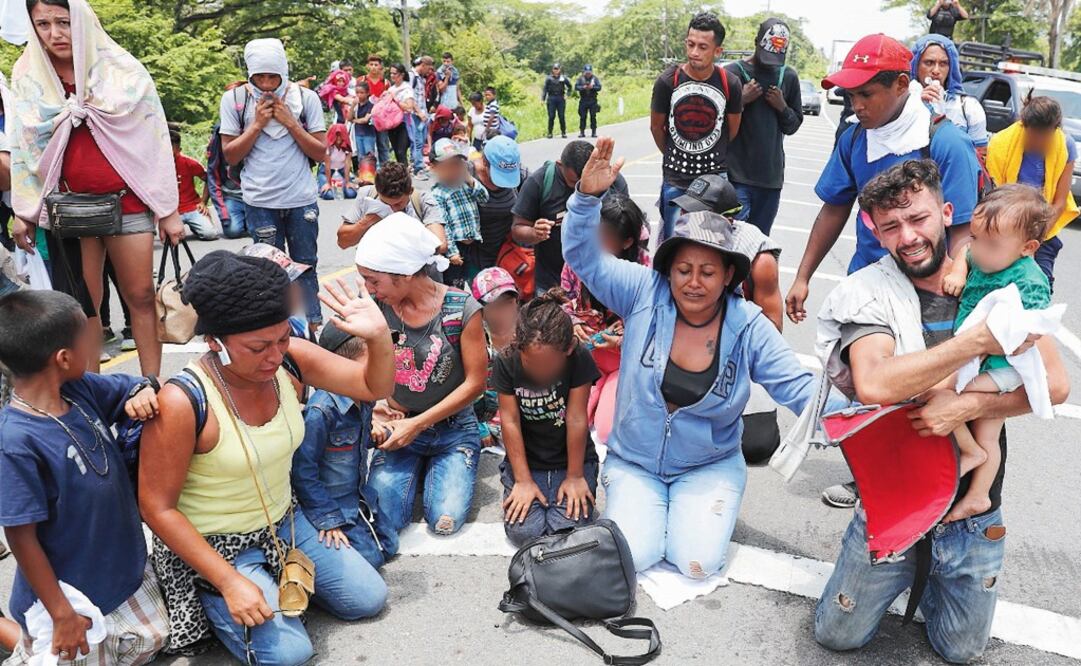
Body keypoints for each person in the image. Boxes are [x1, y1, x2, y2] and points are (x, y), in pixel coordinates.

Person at [812, 159, 1068, 664]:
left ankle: (933, 581)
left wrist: (963, 406)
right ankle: (901, 569)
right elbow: (876, 382)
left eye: (919, 219)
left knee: (961, 649)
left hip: (972, 517)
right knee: (836, 636)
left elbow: (1055, 385)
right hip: (897, 501)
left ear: (946, 212)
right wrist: (972, 341)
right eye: (891, 226)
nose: (908, 236)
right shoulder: (871, 292)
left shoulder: (1004, 273)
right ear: (876, 232)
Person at [563, 138, 844, 578]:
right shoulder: (641, 292)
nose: (693, 282)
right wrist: (585, 199)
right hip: (635, 460)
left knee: (696, 562)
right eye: (683, 269)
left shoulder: (748, 324)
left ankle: (701, 506)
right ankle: (642, 504)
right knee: (632, 559)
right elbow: (583, 256)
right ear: (667, 269)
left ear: (729, 274)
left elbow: (800, 388)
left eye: (708, 271)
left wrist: (870, 419)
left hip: (707, 465)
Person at [140, 251, 395, 663]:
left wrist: (379, 338)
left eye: (281, 338)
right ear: (215, 343)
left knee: (368, 598)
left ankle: (270, 588)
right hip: (219, 545)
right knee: (292, 653)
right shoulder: (184, 400)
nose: (275, 356)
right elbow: (156, 507)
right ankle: (217, 593)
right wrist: (228, 581)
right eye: (258, 347)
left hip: (285, 524)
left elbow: (371, 385)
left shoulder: (290, 359)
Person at [788, 35, 982, 510]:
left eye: (865, 94)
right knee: (871, 390)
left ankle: (940, 482)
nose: (855, 105)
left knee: (930, 394)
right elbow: (835, 207)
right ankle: (873, 480)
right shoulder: (855, 136)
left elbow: (962, 228)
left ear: (901, 84)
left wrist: (958, 277)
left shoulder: (944, 140)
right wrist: (803, 275)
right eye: (850, 96)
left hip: (933, 287)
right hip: (872, 284)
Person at [9, 0, 185, 377]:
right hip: (70, 207)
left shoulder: (121, 68)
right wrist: (24, 212)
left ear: (83, 21)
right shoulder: (28, 74)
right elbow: (24, 148)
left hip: (130, 202)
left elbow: (154, 143)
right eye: (42, 24)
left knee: (139, 296)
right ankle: (92, 390)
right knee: (82, 306)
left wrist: (168, 209)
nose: (54, 34)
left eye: (63, 22)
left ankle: (151, 383)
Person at [0, 290, 169, 665]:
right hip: (67, 598)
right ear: (63, 358)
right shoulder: (15, 441)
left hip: (122, 573)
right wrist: (61, 613)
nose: (96, 343)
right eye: (88, 338)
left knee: (146, 644)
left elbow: (137, 386)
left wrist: (143, 391)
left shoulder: (79, 390)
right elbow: (20, 536)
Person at [357, 215, 488, 537]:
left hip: (452, 428)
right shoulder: (374, 306)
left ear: (403, 275)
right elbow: (358, 365)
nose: (368, 288)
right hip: (397, 424)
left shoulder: (460, 308)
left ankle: (440, 465)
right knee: (383, 519)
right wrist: (376, 412)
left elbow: (476, 383)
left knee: (445, 519)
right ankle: (418, 470)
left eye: (374, 280)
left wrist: (417, 425)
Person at [940, 186, 1054, 521]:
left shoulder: (1029, 278)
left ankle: (970, 451)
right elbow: (963, 252)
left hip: (1002, 365)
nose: (979, 250)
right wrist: (959, 270)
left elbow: (1035, 324)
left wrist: (1019, 336)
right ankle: (978, 495)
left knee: (941, 393)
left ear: (1027, 248)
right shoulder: (982, 252)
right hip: (981, 358)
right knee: (989, 429)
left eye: (991, 244)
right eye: (976, 237)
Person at [670, 174, 786, 464]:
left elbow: (772, 331)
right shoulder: (683, 239)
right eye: (684, 209)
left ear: (728, 221)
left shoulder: (759, 259)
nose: (684, 217)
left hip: (734, 359)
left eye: (694, 213)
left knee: (757, 447)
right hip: (684, 349)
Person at [219, 38, 327, 338]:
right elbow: (230, 154)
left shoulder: (306, 99)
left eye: (273, 77)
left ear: (284, 73)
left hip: (301, 198)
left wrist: (290, 122)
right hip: (259, 200)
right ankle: (279, 331)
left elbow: (320, 152)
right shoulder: (235, 100)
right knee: (267, 273)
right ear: (250, 74)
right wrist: (256, 125)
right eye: (259, 77)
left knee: (306, 265)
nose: (266, 85)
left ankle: (312, 330)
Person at [494, 291, 600, 546]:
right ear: (519, 347)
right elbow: (509, 421)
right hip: (528, 461)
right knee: (524, 532)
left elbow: (576, 418)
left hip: (571, 459)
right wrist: (522, 480)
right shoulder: (506, 361)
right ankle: (530, 485)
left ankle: (575, 484)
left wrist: (575, 476)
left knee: (568, 529)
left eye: (550, 365)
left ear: (569, 349)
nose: (542, 373)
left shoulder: (579, 357)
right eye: (532, 364)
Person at [291, 321, 400, 569]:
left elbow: (354, 444)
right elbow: (303, 471)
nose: (387, 366)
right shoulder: (322, 411)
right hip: (334, 504)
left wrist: (375, 435)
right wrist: (328, 519)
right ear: (346, 365)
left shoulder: (365, 398)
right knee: (371, 559)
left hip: (358, 497)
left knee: (389, 545)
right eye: (377, 359)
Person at [560, 192, 648, 445]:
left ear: (627, 242)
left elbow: (653, 328)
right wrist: (574, 323)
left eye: (605, 237)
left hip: (623, 362)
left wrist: (621, 342)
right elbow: (563, 301)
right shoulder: (576, 261)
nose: (596, 242)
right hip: (586, 357)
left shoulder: (645, 272)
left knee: (607, 430)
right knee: (569, 423)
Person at [651, 11, 743, 241]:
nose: (694, 52)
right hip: (676, 180)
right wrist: (676, 154)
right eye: (690, 44)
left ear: (717, 51)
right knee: (674, 245)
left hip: (715, 180)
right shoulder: (667, 81)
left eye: (703, 47)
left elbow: (731, 129)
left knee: (715, 243)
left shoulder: (729, 83)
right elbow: (656, 128)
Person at [512, 140, 629, 295]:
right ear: (560, 164)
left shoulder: (612, 181)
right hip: (552, 284)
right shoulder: (539, 182)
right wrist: (534, 233)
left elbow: (627, 223)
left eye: (588, 181)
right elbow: (517, 228)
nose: (583, 189)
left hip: (599, 281)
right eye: (575, 183)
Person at [986, 95, 1078, 289]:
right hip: (1004, 225)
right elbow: (994, 197)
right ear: (1023, 126)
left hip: (1043, 228)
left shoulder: (1065, 146)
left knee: (1039, 285)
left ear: (1056, 130)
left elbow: (1060, 202)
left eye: (1045, 136)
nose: (1038, 141)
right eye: (1033, 135)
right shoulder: (1001, 143)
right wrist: (1013, 239)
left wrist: (1035, 240)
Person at [724, 18, 803, 235]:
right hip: (736, 177)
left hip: (770, 179)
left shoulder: (787, 76)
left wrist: (782, 107)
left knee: (759, 244)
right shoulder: (733, 73)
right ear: (756, 41)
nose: (770, 63)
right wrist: (741, 100)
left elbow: (793, 125)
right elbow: (715, 122)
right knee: (734, 242)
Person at [336, 161, 445, 250]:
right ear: (378, 191)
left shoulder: (422, 199)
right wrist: (367, 222)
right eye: (386, 203)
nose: (393, 209)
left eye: (398, 204)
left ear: (410, 191)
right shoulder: (367, 195)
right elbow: (343, 242)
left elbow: (440, 244)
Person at [911, 34, 988, 160]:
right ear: (916, 65)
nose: (936, 70)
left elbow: (981, 155)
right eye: (929, 63)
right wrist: (915, 104)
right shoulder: (902, 103)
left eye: (943, 64)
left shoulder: (969, 108)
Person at [431, 139, 490, 287]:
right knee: (456, 284)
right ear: (434, 168)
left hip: (475, 244)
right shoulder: (438, 193)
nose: (453, 170)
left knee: (478, 280)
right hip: (457, 247)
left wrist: (469, 179)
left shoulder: (466, 185)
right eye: (448, 166)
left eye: (457, 165)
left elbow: (484, 198)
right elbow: (445, 226)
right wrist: (452, 252)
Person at [471, 267, 520, 446]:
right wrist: (481, 426)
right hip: (487, 412)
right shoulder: (474, 337)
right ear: (480, 308)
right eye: (495, 305)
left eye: (508, 302)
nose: (503, 311)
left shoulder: (530, 329)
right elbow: (464, 385)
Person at [468, 136, 525, 270]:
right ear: (484, 161)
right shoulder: (467, 175)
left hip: (508, 251)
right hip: (476, 256)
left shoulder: (519, 171)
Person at [206, 115, 248, 240]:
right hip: (232, 196)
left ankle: (248, 220)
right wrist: (223, 212)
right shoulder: (217, 143)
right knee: (232, 231)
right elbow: (212, 175)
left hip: (254, 195)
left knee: (259, 230)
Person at [171, 130, 218, 241]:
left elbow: (208, 179)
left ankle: (200, 223)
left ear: (179, 150)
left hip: (192, 207)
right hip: (172, 212)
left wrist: (203, 202)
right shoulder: (156, 166)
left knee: (210, 234)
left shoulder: (189, 163)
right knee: (175, 239)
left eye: (172, 153)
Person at [410, 56, 436, 177]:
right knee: (417, 142)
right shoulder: (411, 76)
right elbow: (410, 97)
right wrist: (419, 112)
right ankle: (417, 168)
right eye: (428, 69)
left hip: (422, 116)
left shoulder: (420, 78)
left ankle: (418, 164)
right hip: (415, 116)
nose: (429, 72)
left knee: (420, 142)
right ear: (423, 65)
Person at [386, 63, 416, 166]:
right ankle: (401, 177)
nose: (392, 76)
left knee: (401, 152)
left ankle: (405, 176)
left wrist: (396, 100)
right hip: (392, 124)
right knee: (396, 153)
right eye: (391, 73)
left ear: (402, 74)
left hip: (404, 124)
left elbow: (409, 107)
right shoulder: (390, 89)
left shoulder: (406, 89)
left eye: (395, 73)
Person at [318, 124, 358, 200]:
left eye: (341, 135)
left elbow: (347, 165)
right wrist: (328, 184)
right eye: (337, 135)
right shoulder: (328, 146)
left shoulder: (348, 145)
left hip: (341, 172)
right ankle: (320, 185)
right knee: (329, 195)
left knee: (351, 194)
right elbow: (327, 166)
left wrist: (347, 182)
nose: (339, 138)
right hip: (326, 172)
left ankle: (342, 185)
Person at [365, 55, 392, 166]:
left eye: (376, 65)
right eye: (371, 64)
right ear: (367, 66)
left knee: (383, 144)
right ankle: (369, 171)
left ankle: (386, 169)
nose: (374, 67)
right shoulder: (362, 80)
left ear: (380, 66)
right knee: (368, 146)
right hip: (366, 117)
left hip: (381, 119)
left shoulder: (386, 83)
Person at [541, 64, 573, 139]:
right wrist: (543, 99)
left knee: (561, 116)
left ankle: (563, 132)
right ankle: (550, 133)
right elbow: (545, 89)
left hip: (560, 98)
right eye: (554, 69)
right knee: (551, 116)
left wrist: (567, 95)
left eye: (557, 69)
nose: (556, 70)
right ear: (552, 69)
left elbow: (570, 87)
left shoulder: (563, 78)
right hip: (551, 98)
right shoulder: (549, 78)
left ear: (559, 69)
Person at [352, 81, 377, 165]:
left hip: (368, 134)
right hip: (358, 133)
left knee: (369, 154)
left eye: (362, 93)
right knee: (360, 155)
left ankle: (371, 173)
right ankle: (363, 173)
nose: (359, 95)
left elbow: (365, 120)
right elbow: (348, 117)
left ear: (367, 93)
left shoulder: (371, 105)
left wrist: (355, 120)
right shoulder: (356, 105)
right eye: (357, 93)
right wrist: (352, 105)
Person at [575, 65, 602, 138]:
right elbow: (576, 87)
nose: (588, 74)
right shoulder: (580, 79)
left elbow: (599, 87)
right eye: (586, 72)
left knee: (593, 116)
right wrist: (583, 87)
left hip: (592, 100)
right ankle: (582, 132)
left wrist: (592, 87)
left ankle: (594, 132)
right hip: (583, 100)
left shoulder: (595, 78)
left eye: (589, 72)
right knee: (582, 116)